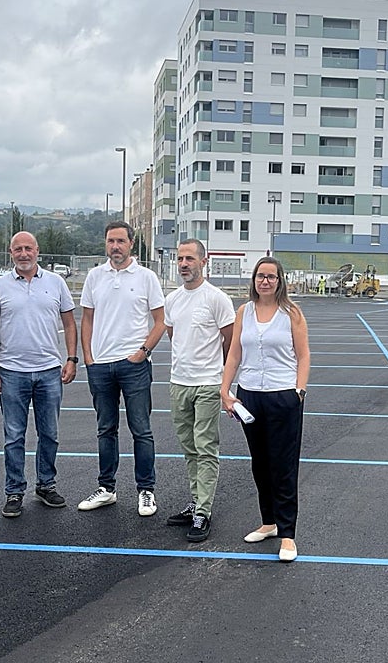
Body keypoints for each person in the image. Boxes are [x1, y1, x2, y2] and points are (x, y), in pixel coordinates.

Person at [220, 256, 310, 562]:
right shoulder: (244, 311)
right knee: (260, 463)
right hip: (250, 396)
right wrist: (225, 390)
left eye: (271, 276)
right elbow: (234, 353)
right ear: (254, 279)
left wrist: (299, 391)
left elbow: (303, 355)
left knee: (283, 466)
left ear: (280, 280)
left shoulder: (291, 313)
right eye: (261, 276)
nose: (265, 281)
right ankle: (269, 522)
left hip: (282, 396)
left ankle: (287, 534)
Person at [0, 231, 78, 519]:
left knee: (49, 433)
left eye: (28, 248)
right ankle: (14, 491)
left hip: (49, 371)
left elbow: (70, 323)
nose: (23, 253)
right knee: (14, 436)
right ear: (10, 252)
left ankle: (46, 485)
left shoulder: (56, 283)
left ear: (37, 251)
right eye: (18, 249)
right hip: (11, 371)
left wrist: (72, 358)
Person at [78, 220, 166, 516]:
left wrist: (143, 352)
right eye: (110, 241)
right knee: (106, 429)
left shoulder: (146, 277)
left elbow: (160, 321)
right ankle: (106, 488)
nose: (115, 246)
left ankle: (146, 490)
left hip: (134, 366)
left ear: (131, 244)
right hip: (100, 366)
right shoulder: (94, 276)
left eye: (120, 241)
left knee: (141, 430)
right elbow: (87, 318)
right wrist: (88, 357)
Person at [162, 239, 235, 542]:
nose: (184, 264)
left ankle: (203, 511)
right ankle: (195, 502)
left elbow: (230, 340)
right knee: (189, 448)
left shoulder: (217, 299)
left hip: (207, 384)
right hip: (179, 382)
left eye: (190, 258)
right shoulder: (173, 299)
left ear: (204, 262)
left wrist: (222, 380)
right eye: (180, 258)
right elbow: (173, 334)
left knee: (205, 448)